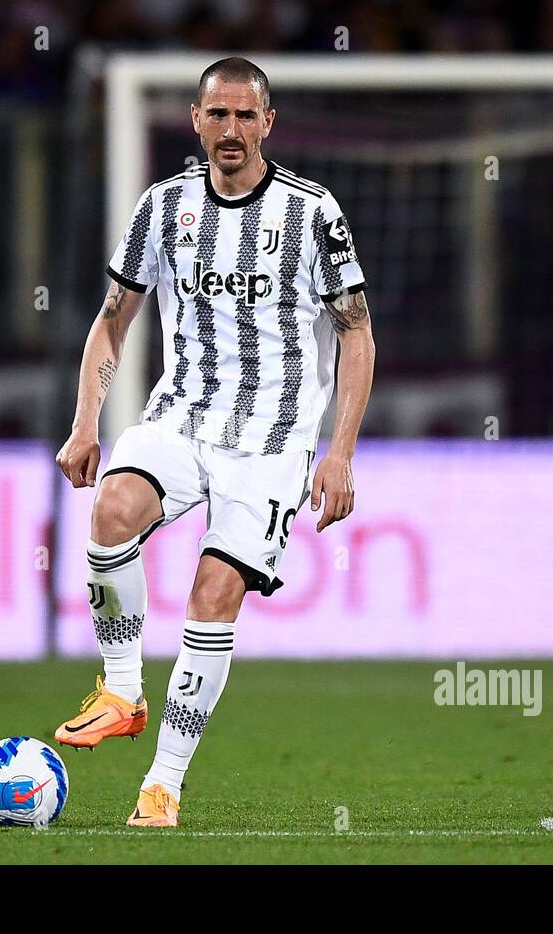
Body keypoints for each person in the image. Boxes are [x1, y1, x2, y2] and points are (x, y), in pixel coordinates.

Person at [53, 57, 376, 827]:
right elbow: (113, 318)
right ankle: (123, 690)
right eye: (216, 115)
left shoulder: (312, 211)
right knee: (111, 511)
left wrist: (340, 453)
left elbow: (356, 333)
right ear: (195, 121)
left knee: (212, 592)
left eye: (244, 116)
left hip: (273, 443)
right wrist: (84, 421)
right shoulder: (162, 207)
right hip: (183, 418)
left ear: (268, 124)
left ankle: (162, 784)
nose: (230, 130)